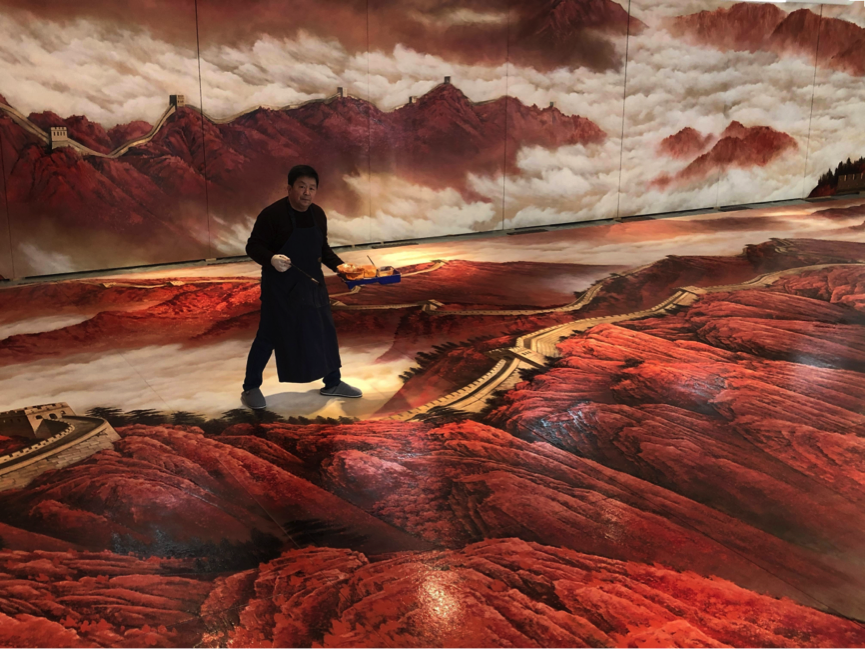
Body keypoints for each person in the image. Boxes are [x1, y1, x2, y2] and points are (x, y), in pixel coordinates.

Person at [241, 165, 362, 410]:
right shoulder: (272, 215)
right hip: (280, 289)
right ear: (289, 188)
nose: (307, 193)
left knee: (324, 332)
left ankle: (333, 382)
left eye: (312, 188)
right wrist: (271, 259)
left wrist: (342, 268)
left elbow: (323, 250)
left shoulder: (318, 214)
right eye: (302, 187)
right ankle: (250, 387)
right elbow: (253, 246)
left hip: (313, 285)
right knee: (269, 336)